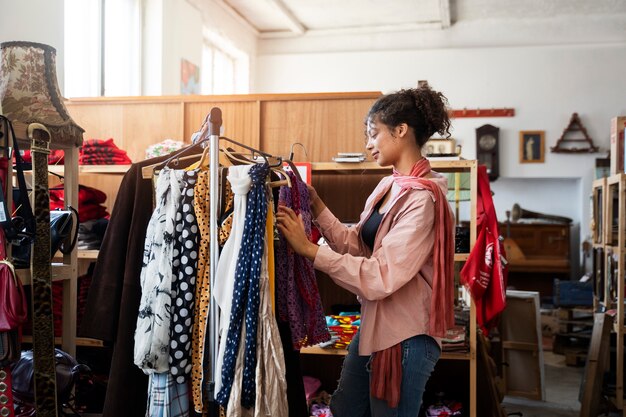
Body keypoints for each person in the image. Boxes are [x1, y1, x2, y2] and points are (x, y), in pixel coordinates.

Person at [276, 85, 456, 417]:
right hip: (377, 327)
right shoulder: (390, 185)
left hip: (406, 338)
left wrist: (310, 250)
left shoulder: (423, 200)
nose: (368, 144)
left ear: (401, 130)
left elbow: (379, 276)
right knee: (345, 407)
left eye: (374, 134)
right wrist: (317, 207)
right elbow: (359, 247)